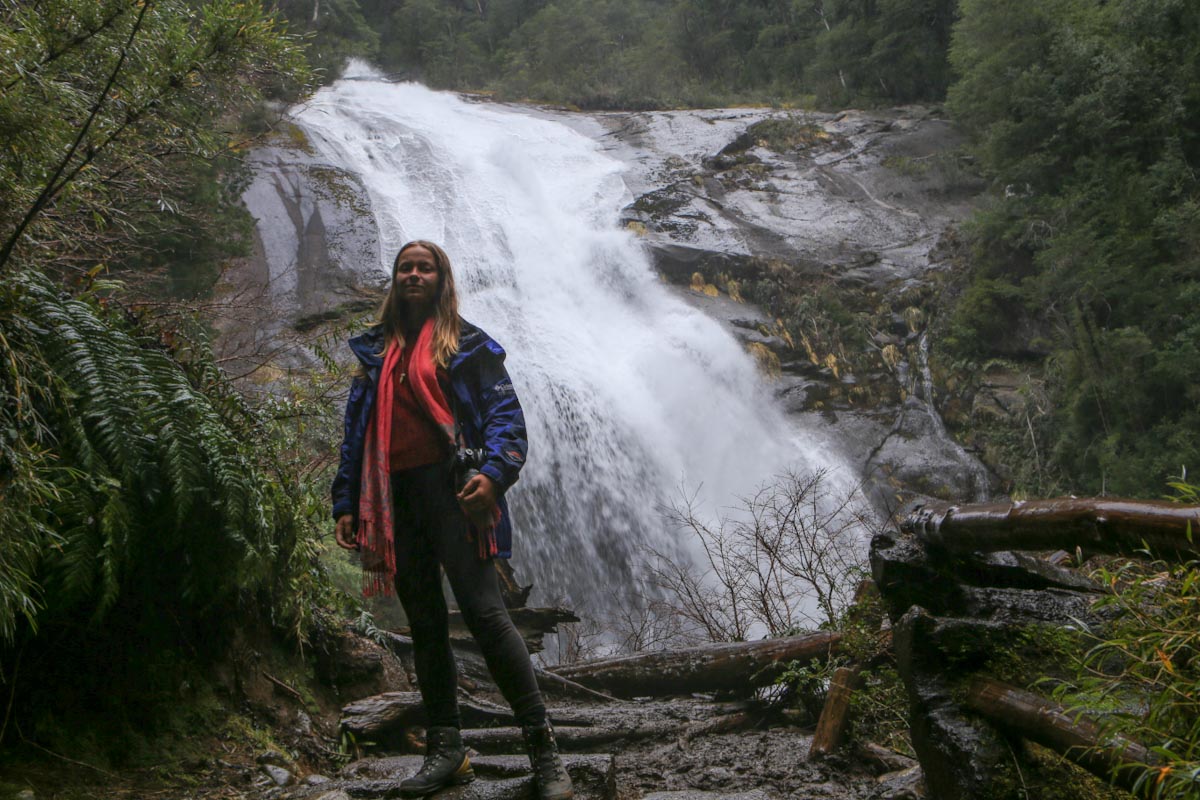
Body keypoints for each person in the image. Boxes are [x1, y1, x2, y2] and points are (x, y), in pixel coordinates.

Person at [332, 240, 573, 800]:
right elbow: (356, 437)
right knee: (424, 624)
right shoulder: (375, 354)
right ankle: (448, 752)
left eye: (426, 267)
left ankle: (544, 751)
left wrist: (493, 476)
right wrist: (346, 502)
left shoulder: (468, 346)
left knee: (487, 616)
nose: (414, 275)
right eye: (405, 268)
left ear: (442, 279)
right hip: (396, 501)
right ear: (394, 280)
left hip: (457, 494)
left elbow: (506, 420)